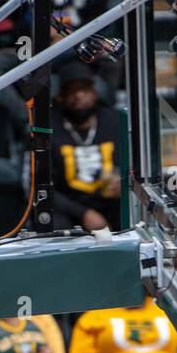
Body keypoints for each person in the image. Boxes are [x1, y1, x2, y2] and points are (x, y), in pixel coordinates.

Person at [50, 62, 122, 233]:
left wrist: (125, 183)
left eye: (84, 88)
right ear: (61, 96)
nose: (79, 95)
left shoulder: (115, 121)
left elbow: (137, 164)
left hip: (112, 203)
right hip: (71, 209)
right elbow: (40, 187)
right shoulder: (48, 129)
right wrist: (84, 214)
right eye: (72, 90)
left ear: (95, 93)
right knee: (54, 224)